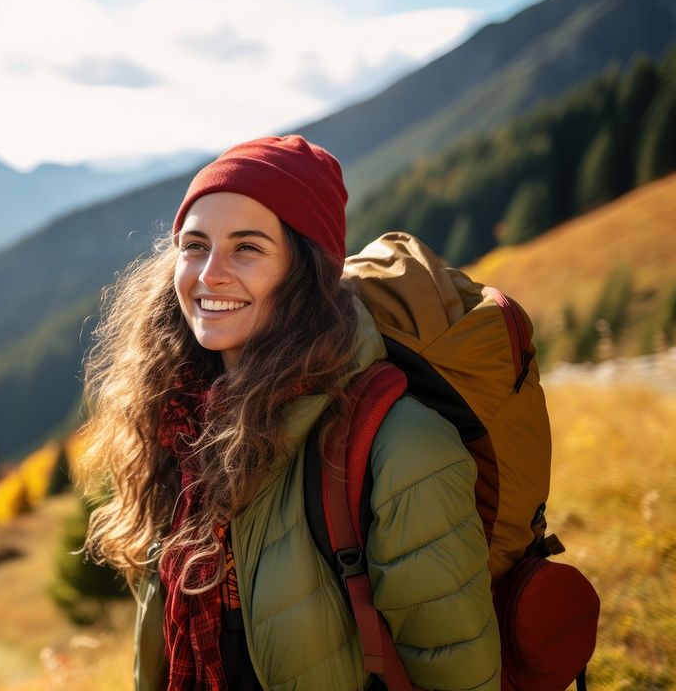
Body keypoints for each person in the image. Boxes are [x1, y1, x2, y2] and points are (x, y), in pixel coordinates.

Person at [79, 135, 500, 691]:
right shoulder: (180, 423)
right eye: (195, 244)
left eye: (247, 248)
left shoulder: (399, 446)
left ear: (306, 272)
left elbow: (457, 673)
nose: (209, 275)